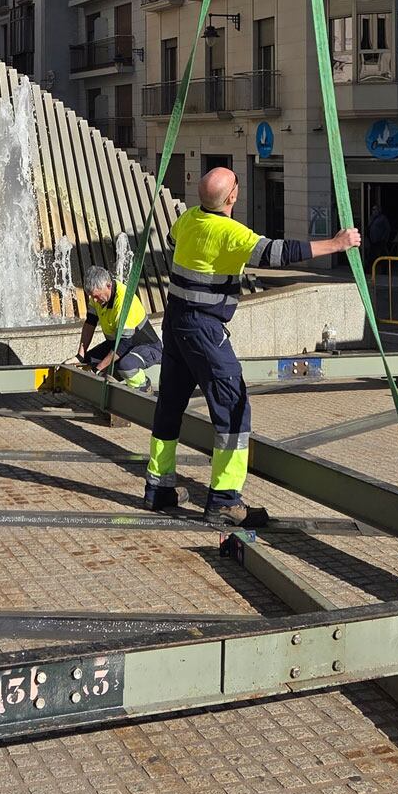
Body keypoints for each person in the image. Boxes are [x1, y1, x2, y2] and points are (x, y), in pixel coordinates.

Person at [146, 167, 361, 527]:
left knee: (169, 404)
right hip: (204, 330)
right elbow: (277, 253)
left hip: (175, 323)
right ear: (232, 197)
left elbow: (171, 241)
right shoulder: (230, 232)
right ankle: (225, 501)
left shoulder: (187, 220)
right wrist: (337, 244)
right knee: (233, 410)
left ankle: (158, 487)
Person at [73, 265, 162, 391]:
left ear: (108, 286)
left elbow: (123, 345)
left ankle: (143, 387)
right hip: (118, 344)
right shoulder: (97, 296)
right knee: (87, 362)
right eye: (92, 296)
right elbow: (90, 323)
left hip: (146, 347)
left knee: (126, 365)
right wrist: (80, 356)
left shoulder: (124, 303)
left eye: (97, 296)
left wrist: (98, 369)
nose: (94, 300)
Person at [366, 204, 393, 269]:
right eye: (373, 209)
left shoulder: (383, 218)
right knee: (372, 255)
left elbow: (387, 228)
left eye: (375, 209)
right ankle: (370, 269)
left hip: (380, 240)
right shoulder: (371, 218)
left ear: (379, 210)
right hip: (372, 240)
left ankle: (385, 269)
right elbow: (369, 227)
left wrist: (384, 238)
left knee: (381, 255)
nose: (374, 211)